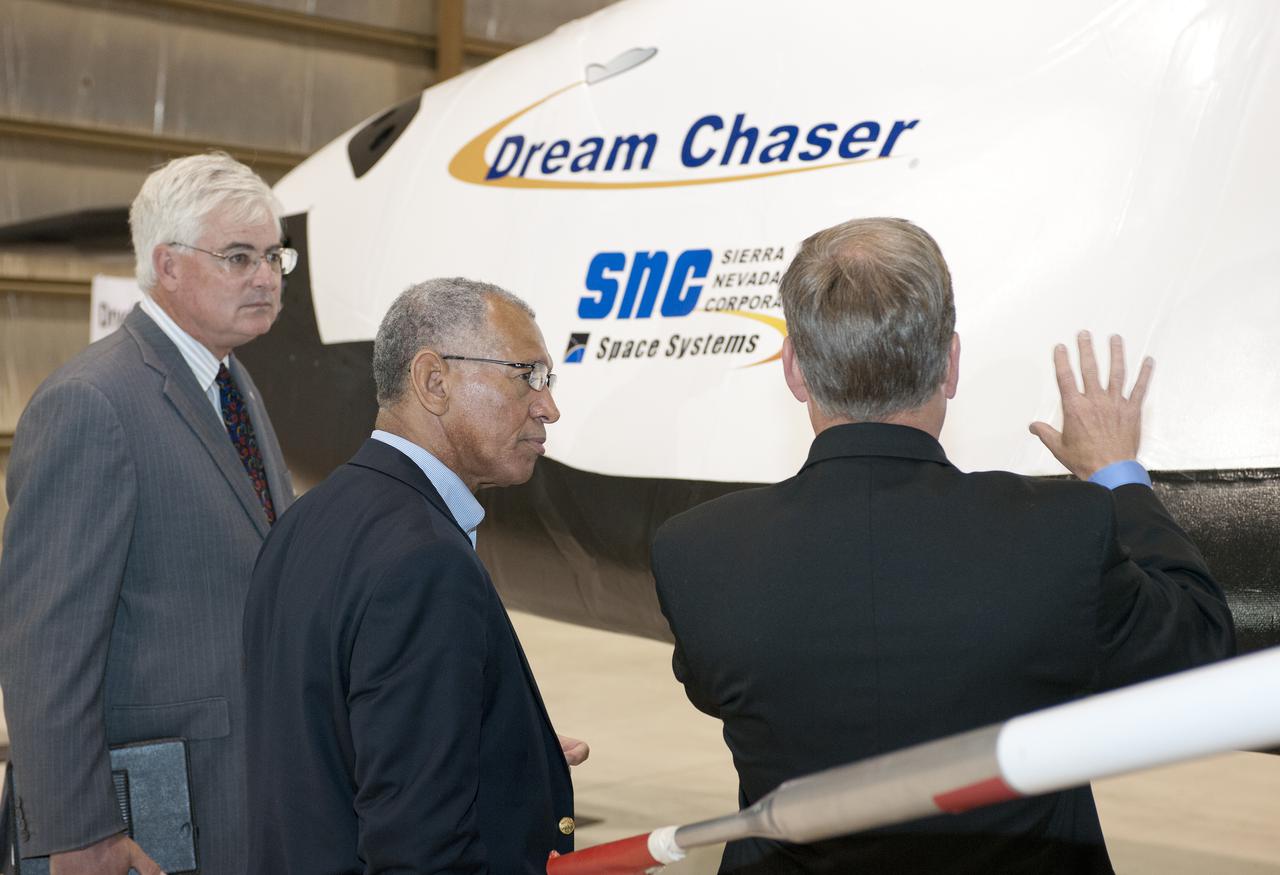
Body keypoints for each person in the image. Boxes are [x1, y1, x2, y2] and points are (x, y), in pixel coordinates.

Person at [651, 217, 1236, 874]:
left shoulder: (695, 552)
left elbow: (719, 691)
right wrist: (1116, 476)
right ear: (950, 363)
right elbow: (1200, 649)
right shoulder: (1062, 532)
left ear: (794, 369)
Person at [0, 152, 295, 874]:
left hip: (224, 796)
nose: (266, 276)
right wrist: (78, 832)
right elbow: (45, 644)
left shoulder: (232, 384)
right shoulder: (92, 403)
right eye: (239, 257)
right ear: (168, 265)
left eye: (274, 256)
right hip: (133, 818)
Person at [243, 277, 585, 874]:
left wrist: (508, 749)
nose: (548, 406)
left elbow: (341, 744)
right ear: (433, 381)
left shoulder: (304, 521)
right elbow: (419, 845)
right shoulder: (426, 561)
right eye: (527, 375)